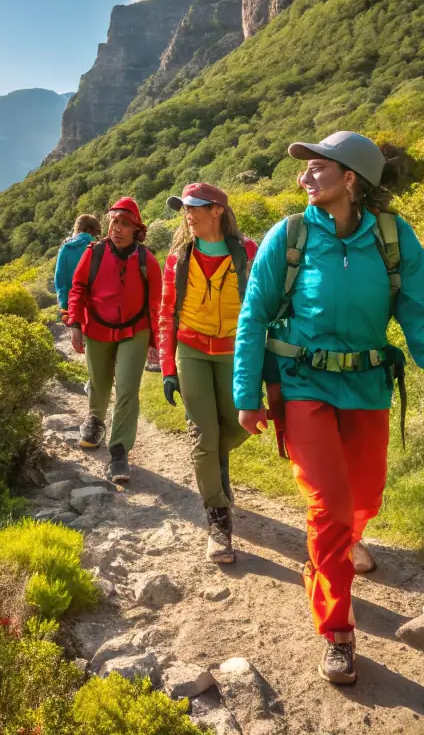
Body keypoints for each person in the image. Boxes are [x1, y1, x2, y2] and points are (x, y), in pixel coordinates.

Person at [233, 132, 424, 687]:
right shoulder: (287, 236)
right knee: (329, 507)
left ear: (351, 180)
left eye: (318, 168)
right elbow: (253, 317)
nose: (304, 177)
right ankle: (338, 630)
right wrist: (247, 393)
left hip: (368, 388)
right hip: (304, 388)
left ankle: (336, 547)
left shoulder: (394, 239)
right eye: (305, 170)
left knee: (364, 498)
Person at [158, 183, 258, 564]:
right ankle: (219, 521)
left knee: (239, 425)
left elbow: (261, 306)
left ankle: (213, 472)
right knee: (203, 436)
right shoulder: (178, 258)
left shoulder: (246, 252)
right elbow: (167, 313)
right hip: (193, 351)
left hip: (235, 351)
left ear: (217, 210)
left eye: (195, 207)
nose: (188, 214)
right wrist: (169, 368)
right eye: (184, 208)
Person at [67, 198, 161, 483]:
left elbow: (156, 304)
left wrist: (156, 343)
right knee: (99, 382)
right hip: (96, 326)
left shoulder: (147, 260)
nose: (117, 229)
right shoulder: (93, 253)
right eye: (114, 222)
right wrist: (74, 323)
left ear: (137, 230)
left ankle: (119, 452)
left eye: (125, 224)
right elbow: (78, 287)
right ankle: (95, 420)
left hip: (136, 330)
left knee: (127, 390)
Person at [55, 214, 101, 325]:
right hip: (100, 307)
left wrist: (65, 308)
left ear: (77, 229)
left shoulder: (66, 248)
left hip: (75, 306)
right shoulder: (101, 247)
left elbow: (60, 280)